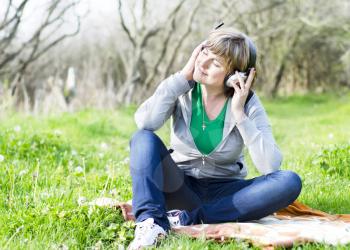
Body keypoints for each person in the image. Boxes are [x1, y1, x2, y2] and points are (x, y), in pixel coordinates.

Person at [127, 27, 302, 249]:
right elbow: (145, 122)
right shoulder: (182, 90)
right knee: (142, 138)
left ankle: (187, 219)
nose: (204, 63)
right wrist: (181, 78)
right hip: (180, 186)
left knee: (289, 181)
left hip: (227, 193)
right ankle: (152, 223)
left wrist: (240, 115)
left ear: (234, 76)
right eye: (204, 52)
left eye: (216, 63)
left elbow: (270, 166)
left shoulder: (248, 104)